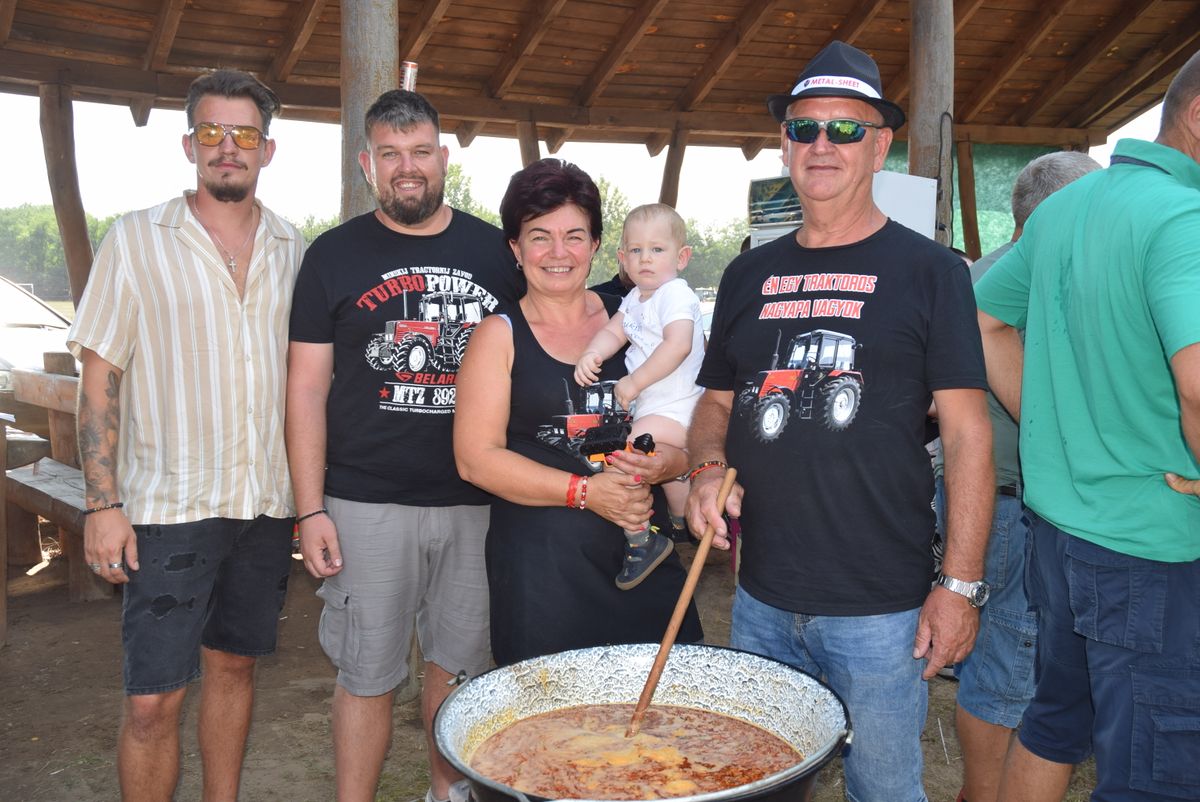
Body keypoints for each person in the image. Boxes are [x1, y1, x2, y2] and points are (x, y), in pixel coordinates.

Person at [685, 40, 994, 802]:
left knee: (884, 789)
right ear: (785, 143)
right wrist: (702, 468)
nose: (822, 145)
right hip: (759, 597)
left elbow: (967, 435)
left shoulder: (932, 272)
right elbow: (719, 402)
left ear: (881, 145)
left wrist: (959, 586)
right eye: (804, 128)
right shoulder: (748, 272)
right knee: (755, 783)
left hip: (881, 610)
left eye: (845, 130)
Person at [67, 69, 304, 801]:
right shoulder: (136, 240)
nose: (226, 148)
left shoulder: (296, 250)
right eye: (211, 133)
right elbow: (98, 378)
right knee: (151, 701)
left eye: (243, 135)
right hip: (166, 509)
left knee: (235, 668)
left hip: (264, 503)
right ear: (188, 144)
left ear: (267, 150)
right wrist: (102, 504)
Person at [285, 90, 523, 802]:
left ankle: (447, 796)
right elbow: (304, 389)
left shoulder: (494, 252)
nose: (407, 168)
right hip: (363, 503)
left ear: (443, 157)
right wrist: (309, 510)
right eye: (390, 155)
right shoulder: (333, 254)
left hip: (477, 501)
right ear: (368, 164)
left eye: (420, 152)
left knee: (460, 671)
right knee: (365, 675)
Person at [975, 51, 1200, 802]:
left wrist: (1047, 428)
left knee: (1054, 720)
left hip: (1060, 530)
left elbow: (985, 320)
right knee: (1157, 771)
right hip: (1150, 542)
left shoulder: (1070, 204)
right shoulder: (1183, 217)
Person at [454, 157, 703, 667]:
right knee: (550, 737)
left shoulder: (637, 313)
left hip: (642, 562)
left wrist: (670, 465)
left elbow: (688, 417)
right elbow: (475, 460)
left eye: (574, 235)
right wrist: (586, 493)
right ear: (515, 248)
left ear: (595, 247)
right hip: (544, 577)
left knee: (664, 729)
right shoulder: (497, 336)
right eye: (539, 235)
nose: (558, 252)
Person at [933, 151, 1100, 802]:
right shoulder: (1033, 278)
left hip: (985, 495)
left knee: (1003, 657)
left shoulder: (985, 269)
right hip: (1008, 502)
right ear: (1059, 212)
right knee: (1010, 662)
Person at [574, 203, 705, 589]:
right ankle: (686, 519)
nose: (645, 258)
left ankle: (642, 540)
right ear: (622, 259)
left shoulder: (676, 295)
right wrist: (592, 353)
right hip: (659, 409)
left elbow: (678, 346)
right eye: (636, 250)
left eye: (657, 250)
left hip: (680, 407)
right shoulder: (634, 300)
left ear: (682, 257)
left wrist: (633, 384)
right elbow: (615, 333)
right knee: (670, 482)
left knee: (624, 456)